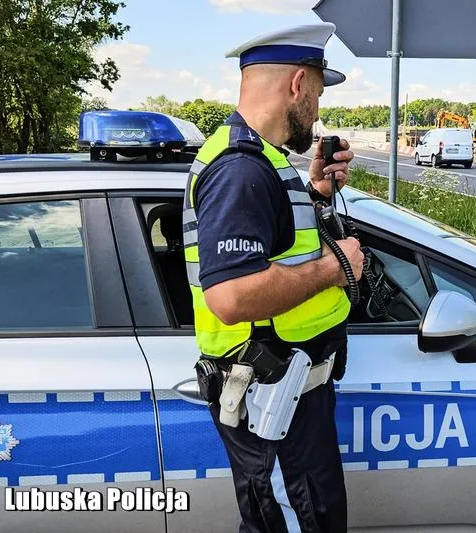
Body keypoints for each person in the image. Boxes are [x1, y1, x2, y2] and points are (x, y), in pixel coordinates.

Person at [181, 22, 364, 533]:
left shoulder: (262, 161)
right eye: (319, 94)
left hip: (285, 398)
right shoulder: (242, 169)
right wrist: (336, 267)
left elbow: (277, 246)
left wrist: (318, 194)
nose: (318, 111)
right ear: (298, 84)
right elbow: (232, 296)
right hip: (274, 405)